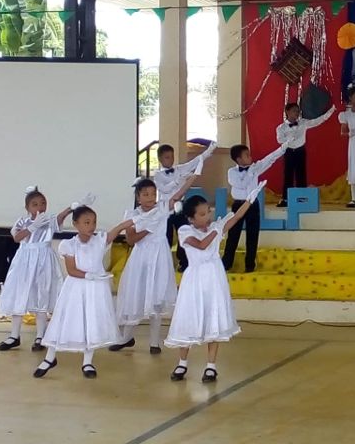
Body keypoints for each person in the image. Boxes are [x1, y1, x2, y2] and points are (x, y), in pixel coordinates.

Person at [166, 186, 263, 382]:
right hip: (195, 278)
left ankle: (211, 366)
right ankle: (182, 363)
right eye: (202, 214)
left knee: (213, 316)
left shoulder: (214, 227)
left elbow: (235, 218)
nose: (208, 216)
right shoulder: (185, 230)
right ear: (191, 218)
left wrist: (249, 201)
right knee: (189, 317)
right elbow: (201, 246)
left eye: (208, 211)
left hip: (214, 277)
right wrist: (217, 229)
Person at [33, 205, 135, 379]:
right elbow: (72, 270)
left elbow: (115, 231)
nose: (91, 226)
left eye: (94, 222)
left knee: (91, 322)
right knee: (64, 321)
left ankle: (88, 361)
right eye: (86, 222)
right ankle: (50, 357)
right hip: (76, 289)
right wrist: (90, 275)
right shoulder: (69, 245)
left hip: (95, 290)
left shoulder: (99, 240)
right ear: (76, 224)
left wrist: (130, 222)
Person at [111, 176, 194, 354]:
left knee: (156, 296)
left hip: (159, 257)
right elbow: (131, 240)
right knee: (136, 294)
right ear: (138, 197)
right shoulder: (132, 214)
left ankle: (154, 342)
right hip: (140, 257)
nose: (150, 197)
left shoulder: (162, 209)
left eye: (153, 194)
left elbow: (179, 194)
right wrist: (147, 228)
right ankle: (126, 337)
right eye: (146, 194)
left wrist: (194, 176)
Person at [0, 187, 74, 351]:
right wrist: (32, 227)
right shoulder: (21, 222)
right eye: (35, 204)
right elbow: (17, 237)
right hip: (24, 260)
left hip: (43, 259)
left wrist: (70, 208)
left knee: (42, 294)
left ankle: (40, 336)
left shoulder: (49, 220)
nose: (39, 207)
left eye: (43, 203)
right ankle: (14, 335)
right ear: (27, 207)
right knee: (20, 294)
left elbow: (60, 218)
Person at [222, 142, 287, 273]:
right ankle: (226, 263)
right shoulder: (232, 172)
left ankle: (250, 264)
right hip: (239, 204)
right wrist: (251, 172)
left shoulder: (255, 168)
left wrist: (283, 148)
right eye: (247, 155)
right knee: (233, 234)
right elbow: (242, 184)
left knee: (253, 235)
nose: (250, 157)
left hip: (252, 204)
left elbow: (269, 159)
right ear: (239, 159)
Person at [154, 142, 213, 272]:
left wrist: (209, 150)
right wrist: (178, 180)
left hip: (180, 208)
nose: (171, 159)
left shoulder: (179, 169)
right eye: (167, 157)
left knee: (184, 234)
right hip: (166, 211)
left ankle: (184, 263)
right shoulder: (157, 175)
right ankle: (163, 265)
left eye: (172, 156)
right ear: (160, 159)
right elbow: (163, 188)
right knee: (165, 238)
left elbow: (195, 161)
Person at [275, 102, 335, 207]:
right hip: (288, 152)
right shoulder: (281, 127)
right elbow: (280, 139)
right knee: (288, 175)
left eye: (298, 111)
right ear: (287, 112)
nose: (297, 113)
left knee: (301, 175)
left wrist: (331, 110)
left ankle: (301, 198)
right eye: (294, 111)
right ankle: (285, 198)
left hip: (300, 151)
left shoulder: (303, 123)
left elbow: (317, 121)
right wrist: (290, 139)